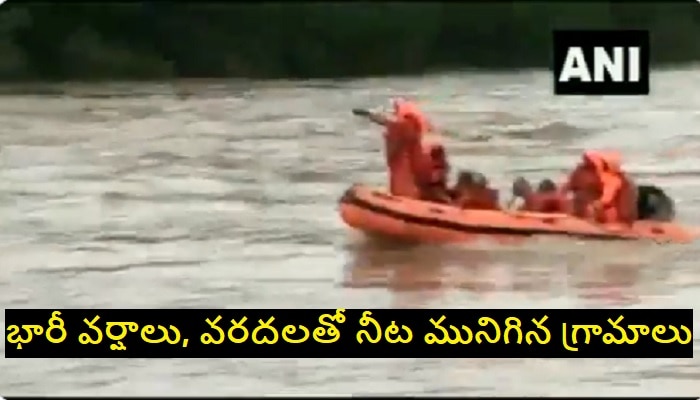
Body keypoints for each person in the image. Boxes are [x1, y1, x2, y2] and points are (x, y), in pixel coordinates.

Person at [353, 99, 451, 202]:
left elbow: (392, 122)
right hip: (425, 165)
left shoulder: (406, 127)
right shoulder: (423, 129)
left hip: (417, 180)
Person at [559, 150, 637, 224]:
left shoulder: (613, 179)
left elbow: (607, 197)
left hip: (612, 214)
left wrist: (597, 205)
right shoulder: (604, 176)